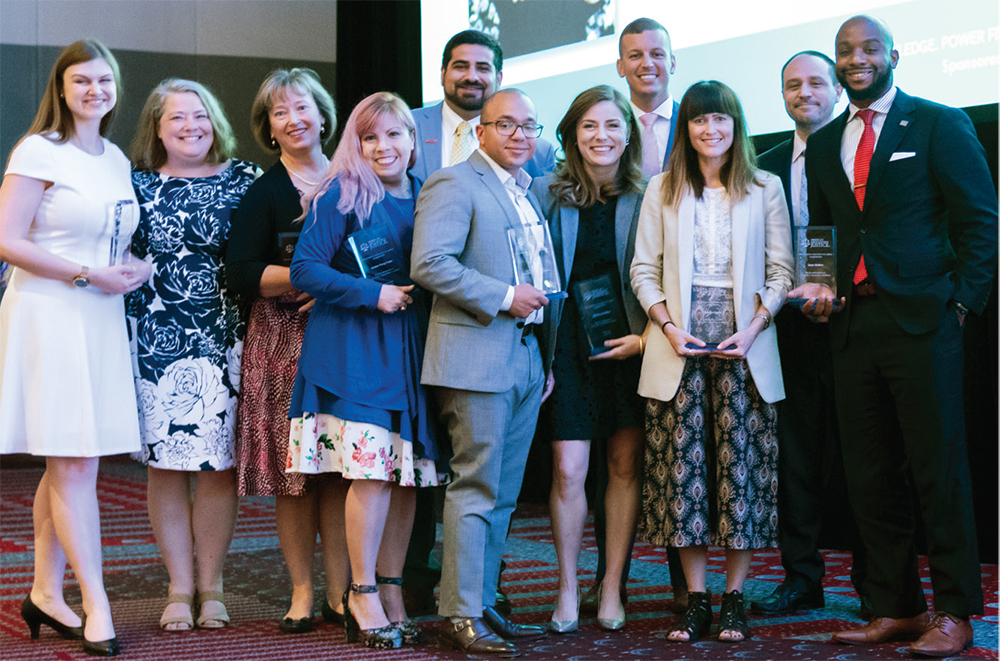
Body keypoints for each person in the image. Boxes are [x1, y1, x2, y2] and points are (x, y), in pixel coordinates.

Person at [794, 16, 997, 657]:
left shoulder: (938, 122)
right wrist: (821, 289)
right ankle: (896, 607)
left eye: (868, 49)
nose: (857, 60)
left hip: (924, 322)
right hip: (852, 325)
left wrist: (962, 303)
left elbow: (980, 220)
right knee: (870, 474)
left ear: (893, 56)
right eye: (845, 52)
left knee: (938, 471)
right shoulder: (825, 143)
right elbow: (821, 235)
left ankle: (957, 611)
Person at [0, 39, 150, 657]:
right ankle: (96, 604)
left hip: (99, 315)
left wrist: (128, 266)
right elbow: (8, 241)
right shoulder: (39, 149)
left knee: (69, 458)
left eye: (104, 80)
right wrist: (88, 275)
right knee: (77, 460)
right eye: (81, 81)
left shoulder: (115, 156)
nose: (94, 90)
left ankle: (43, 592)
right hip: (51, 314)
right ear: (61, 89)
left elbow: (107, 239)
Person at [630, 80, 793, 643]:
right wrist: (669, 329)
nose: (711, 130)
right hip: (680, 355)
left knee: (740, 482)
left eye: (721, 120)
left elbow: (781, 273)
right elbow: (642, 271)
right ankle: (696, 599)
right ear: (687, 128)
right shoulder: (662, 189)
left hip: (744, 354)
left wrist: (752, 330)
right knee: (684, 481)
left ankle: (734, 599)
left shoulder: (765, 187)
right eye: (700, 120)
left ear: (736, 126)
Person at [406, 28, 556, 617]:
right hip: (473, 357)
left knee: (504, 495)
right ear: (480, 130)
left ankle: (482, 597)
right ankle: (461, 613)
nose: (518, 135)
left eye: (528, 127)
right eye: (506, 125)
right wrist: (502, 297)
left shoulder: (528, 191)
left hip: (522, 358)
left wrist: (539, 356)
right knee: (474, 487)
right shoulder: (453, 181)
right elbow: (429, 264)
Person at [285, 91, 442, 650]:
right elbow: (303, 267)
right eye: (368, 136)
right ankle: (361, 590)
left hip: (413, 348)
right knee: (372, 471)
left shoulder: (428, 194)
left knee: (406, 476)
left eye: (394, 134)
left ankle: (393, 588)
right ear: (354, 143)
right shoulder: (342, 194)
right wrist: (369, 292)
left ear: (412, 139)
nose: (383, 146)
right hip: (356, 346)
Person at [128, 79, 260, 632]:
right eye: (177, 118)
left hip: (225, 336)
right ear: (157, 129)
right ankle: (179, 585)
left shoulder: (246, 180)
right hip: (152, 340)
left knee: (216, 466)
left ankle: (213, 583)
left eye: (201, 116)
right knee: (165, 466)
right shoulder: (133, 186)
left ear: (217, 124)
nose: (191, 127)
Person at [225, 68, 350, 633]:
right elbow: (242, 271)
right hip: (284, 344)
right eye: (281, 113)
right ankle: (303, 591)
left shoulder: (358, 179)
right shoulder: (264, 190)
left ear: (323, 116)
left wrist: (334, 289)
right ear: (269, 129)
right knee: (295, 477)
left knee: (344, 470)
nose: (295, 119)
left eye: (303, 108)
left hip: (350, 338)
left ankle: (343, 592)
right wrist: (309, 282)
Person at [749, 51, 871, 619]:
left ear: (838, 88)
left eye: (816, 82)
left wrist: (836, 288)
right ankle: (802, 578)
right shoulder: (764, 164)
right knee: (793, 456)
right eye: (792, 84)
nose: (805, 92)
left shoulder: (858, 154)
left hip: (856, 320)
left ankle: (877, 582)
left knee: (864, 457)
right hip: (787, 326)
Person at [530, 85, 647, 633]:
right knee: (568, 469)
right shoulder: (544, 192)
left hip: (630, 349)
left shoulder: (649, 196)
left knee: (624, 467)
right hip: (567, 349)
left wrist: (647, 338)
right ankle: (567, 587)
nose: (602, 137)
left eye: (612, 126)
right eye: (589, 127)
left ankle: (612, 585)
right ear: (572, 136)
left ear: (629, 133)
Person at [581, 17, 686, 615]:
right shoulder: (608, 128)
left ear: (673, 60)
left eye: (656, 53)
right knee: (611, 460)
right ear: (619, 65)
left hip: (675, 317)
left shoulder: (697, 123)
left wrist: (663, 323)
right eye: (634, 55)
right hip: (611, 317)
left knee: (674, 454)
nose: (646, 62)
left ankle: (682, 583)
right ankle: (607, 578)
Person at [410, 30, 555, 182]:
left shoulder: (538, 153)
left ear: (499, 78)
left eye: (483, 68)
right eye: (460, 67)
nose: (471, 77)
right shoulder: (407, 128)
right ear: (443, 74)